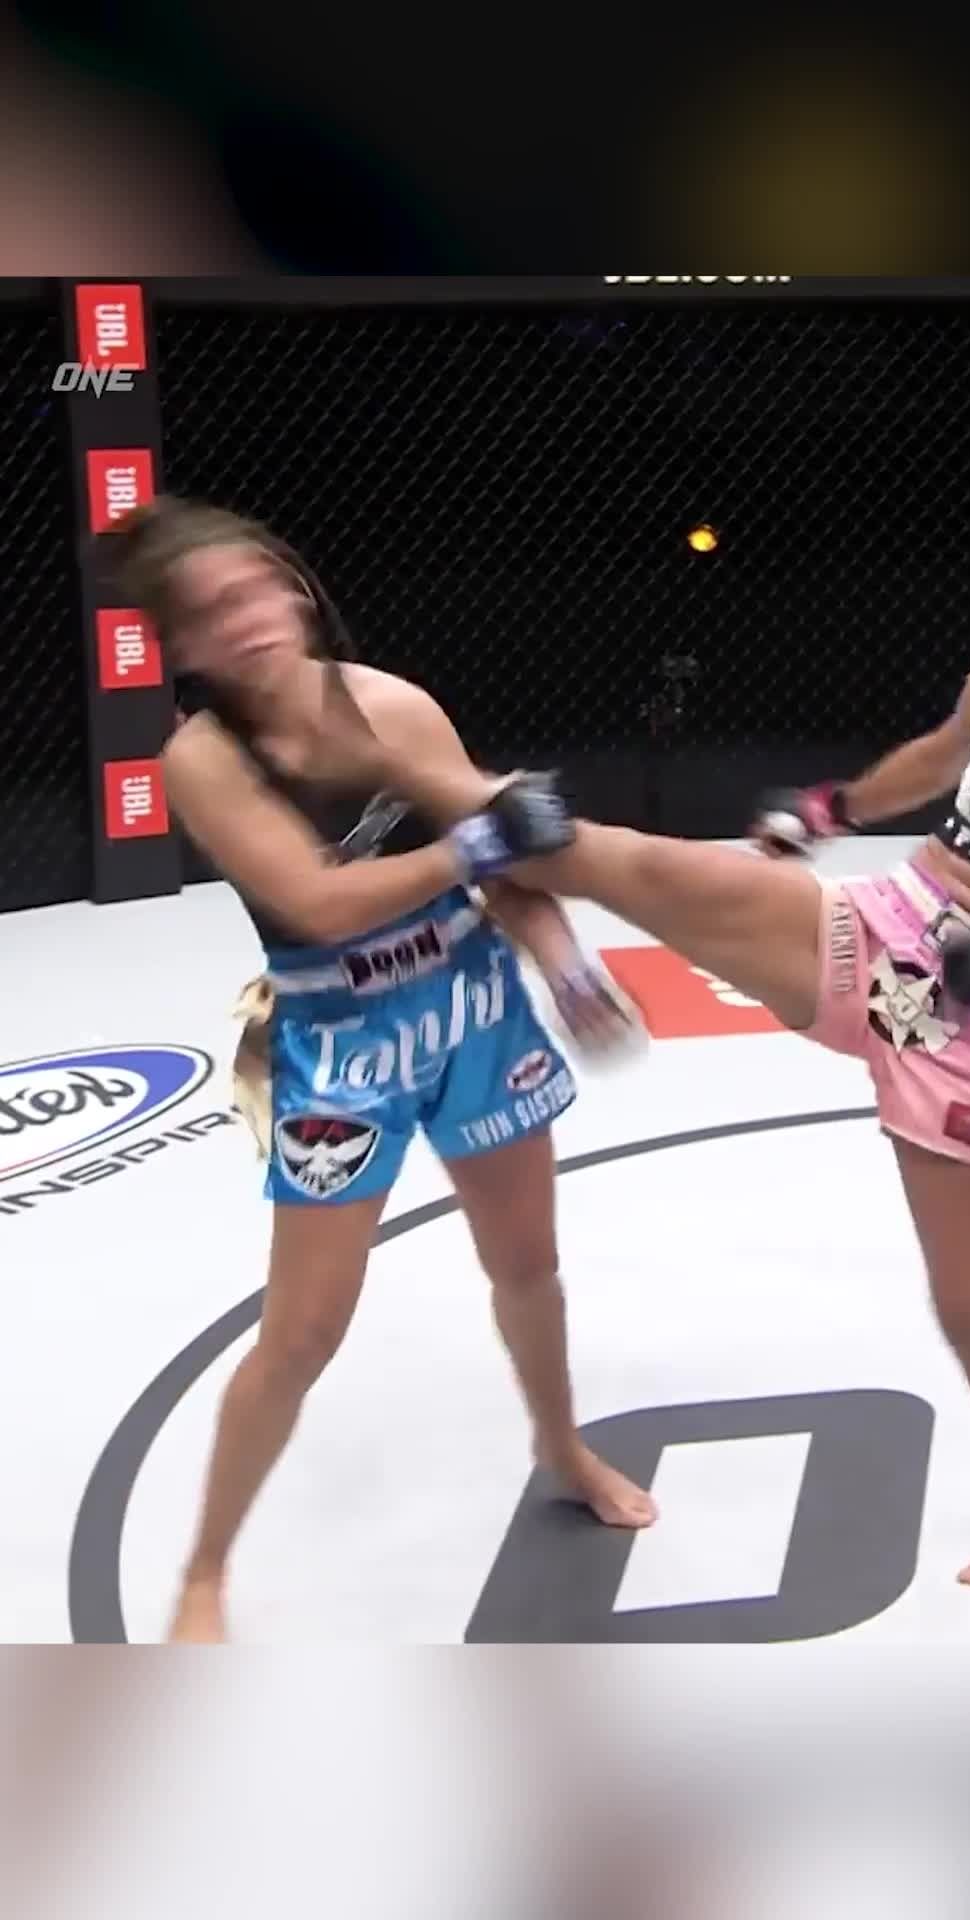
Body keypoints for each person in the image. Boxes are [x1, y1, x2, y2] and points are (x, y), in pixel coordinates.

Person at [380, 531, 970, 1595]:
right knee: (600, 853)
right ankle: (434, 796)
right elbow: (937, 759)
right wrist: (833, 809)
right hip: (883, 926)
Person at [104, 497, 656, 1644]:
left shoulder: (393, 705)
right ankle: (205, 1572)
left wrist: (564, 966)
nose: (247, 619)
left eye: (255, 589)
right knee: (303, 1331)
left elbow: (513, 853)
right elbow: (318, 901)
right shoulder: (202, 763)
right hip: (340, 1045)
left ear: (293, 587)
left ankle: (560, 1445)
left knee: (528, 1265)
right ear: (183, 646)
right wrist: (472, 842)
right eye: (213, 611)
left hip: (475, 1011)